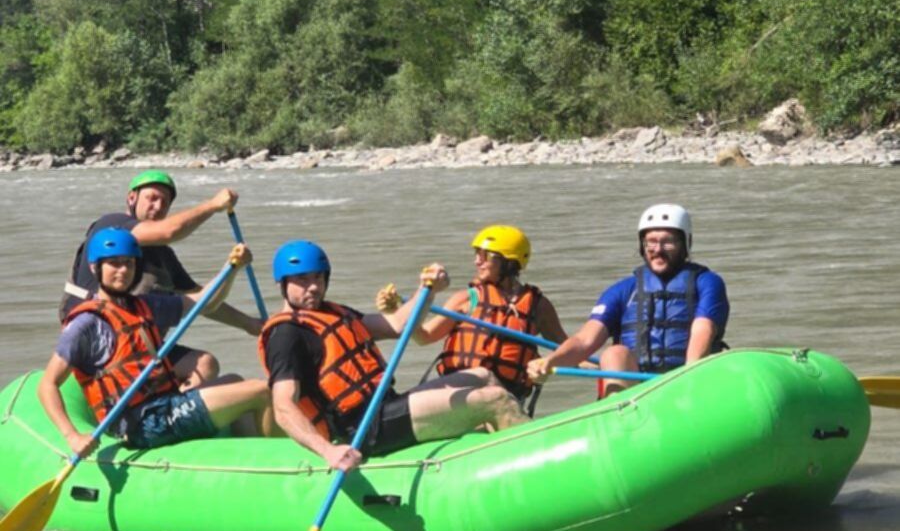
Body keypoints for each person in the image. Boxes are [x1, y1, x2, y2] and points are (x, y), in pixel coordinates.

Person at [258, 240, 529, 472]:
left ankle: (499, 453)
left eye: (318, 278)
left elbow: (398, 324)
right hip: (361, 430)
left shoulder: (332, 312)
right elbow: (283, 407)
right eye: (303, 280)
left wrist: (428, 290)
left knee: (483, 376)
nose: (314, 287)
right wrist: (328, 451)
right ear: (283, 284)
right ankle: (530, 462)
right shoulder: (286, 335)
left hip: (385, 406)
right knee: (495, 400)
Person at [39, 228, 273, 459]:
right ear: (95, 267)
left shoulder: (143, 305)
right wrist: (72, 436)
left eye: (129, 263)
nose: (122, 271)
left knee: (235, 381)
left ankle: (251, 455)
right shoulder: (86, 324)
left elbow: (204, 303)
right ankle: (278, 459)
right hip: (141, 424)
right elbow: (47, 384)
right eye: (114, 263)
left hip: (164, 404)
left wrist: (231, 267)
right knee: (260, 390)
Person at [59, 170, 261, 389]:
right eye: (152, 198)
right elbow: (169, 232)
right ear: (132, 198)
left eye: (165, 202)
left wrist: (250, 324)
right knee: (206, 366)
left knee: (206, 365)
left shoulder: (164, 256)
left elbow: (203, 302)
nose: (158, 206)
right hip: (99, 336)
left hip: (138, 342)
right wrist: (213, 205)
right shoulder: (112, 226)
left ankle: (175, 411)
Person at [528, 204, 729, 397]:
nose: (657, 249)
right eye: (650, 241)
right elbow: (584, 341)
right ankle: (620, 415)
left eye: (668, 241)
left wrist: (687, 379)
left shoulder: (707, 283)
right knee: (614, 353)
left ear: (685, 244)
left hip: (685, 382)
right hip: (636, 391)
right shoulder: (623, 290)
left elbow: (703, 330)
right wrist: (550, 362)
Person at [378, 225, 567, 408]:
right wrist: (395, 313)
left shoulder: (538, 306)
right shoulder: (467, 299)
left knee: (500, 403)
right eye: (477, 254)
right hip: (461, 396)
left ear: (509, 262)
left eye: (485, 256)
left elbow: (569, 349)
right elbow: (423, 336)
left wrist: (550, 364)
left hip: (509, 398)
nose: (477, 261)